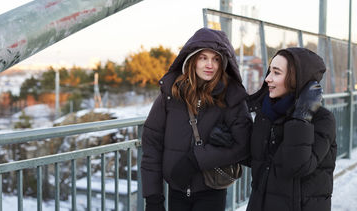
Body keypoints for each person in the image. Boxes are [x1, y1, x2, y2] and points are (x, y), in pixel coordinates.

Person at [141, 27, 252, 211]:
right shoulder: (170, 95)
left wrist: (196, 159)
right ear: (192, 60)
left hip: (211, 191)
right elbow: (152, 146)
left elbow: (244, 145)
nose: (210, 65)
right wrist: (153, 197)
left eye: (216, 59)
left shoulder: (231, 97)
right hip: (176, 192)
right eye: (203, 58)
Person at [244, 47, 337, 211]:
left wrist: (302, 116)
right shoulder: (266, 114)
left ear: (296, 79)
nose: (267, 79)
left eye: (276, 73)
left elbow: (297, 166)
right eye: (269, 71)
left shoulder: (322, 120)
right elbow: (258, 159)